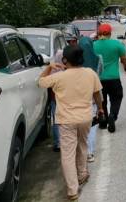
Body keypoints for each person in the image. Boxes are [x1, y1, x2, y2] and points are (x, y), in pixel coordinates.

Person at [38, 45, 104, 201]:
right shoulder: (90, 73)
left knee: (67, 154)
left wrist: (49, 67)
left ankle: (72, 190)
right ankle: (82, 174)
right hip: (85, 117)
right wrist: (100, 109)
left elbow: (40, 82)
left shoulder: (59, 76)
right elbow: (97, 94)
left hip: (66, 120)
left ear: (65, 60)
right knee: (82, 145)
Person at [93, 23, 126, 133]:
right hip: (113, 78)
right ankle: (112, 115)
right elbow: (124, 59)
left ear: (99, 33)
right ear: (110, 33)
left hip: (99, 79)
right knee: (116, 97)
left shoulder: (94, 45)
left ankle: (103, 121)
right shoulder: (117, 44)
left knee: (102, 100)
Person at [79, 35, 102, 162]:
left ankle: (81, 153)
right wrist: (101, 107)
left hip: (77, 98)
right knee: (91, 126)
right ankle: (89, 152)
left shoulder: (75, 61)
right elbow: (100, 73)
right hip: (93, 95)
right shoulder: (98, 58)